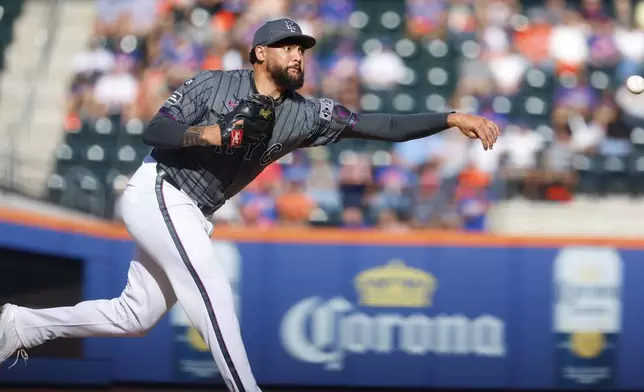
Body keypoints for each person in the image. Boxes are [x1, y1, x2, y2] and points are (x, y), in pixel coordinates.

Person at [0, 18, 499, 392]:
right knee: (214, 291)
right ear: (261, 52)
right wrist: (207, 132)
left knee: (134, 315)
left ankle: (20, 324)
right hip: (160, 190)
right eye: (289, 46)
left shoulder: (307, 114)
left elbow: (378, 125)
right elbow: (154, 129)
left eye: (304, 48)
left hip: (192, 210)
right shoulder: (214, 84)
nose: (299, 54)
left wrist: (451, 116)